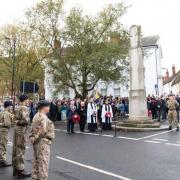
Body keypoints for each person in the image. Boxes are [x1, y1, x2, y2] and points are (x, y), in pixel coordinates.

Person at [29, 100, 55, 180]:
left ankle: (36, 177)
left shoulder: (36, 115)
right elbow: (43, 131)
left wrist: (33, 139)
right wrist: (35, 138)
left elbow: (32, 130)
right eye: (48, 106)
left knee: (37, 162)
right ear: (44, 107)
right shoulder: (43, 117)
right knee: (43, 163)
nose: (49, 108)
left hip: (38, 143)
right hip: (43, 143)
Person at [12, 94, 31, 178]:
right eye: (27, 99)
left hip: (17, 130)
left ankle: (16, 169)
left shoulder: (18, 107)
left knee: (16, 148)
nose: (28, 101)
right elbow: (26, 120)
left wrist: (17, 122)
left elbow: (15, 119)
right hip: (21, 130)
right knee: (20, 149)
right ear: (24, 100)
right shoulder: (23, 108)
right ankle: (20, 170)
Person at [0, 101, 13, 167]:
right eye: (11, 105)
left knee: (1, 144)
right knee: (3, 145)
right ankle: (2, 160)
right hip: (4, 130)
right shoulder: (6, 113)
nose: (11, 107)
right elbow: (7, 123)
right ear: (8, 106)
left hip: (2, 130)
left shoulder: (2, 112)